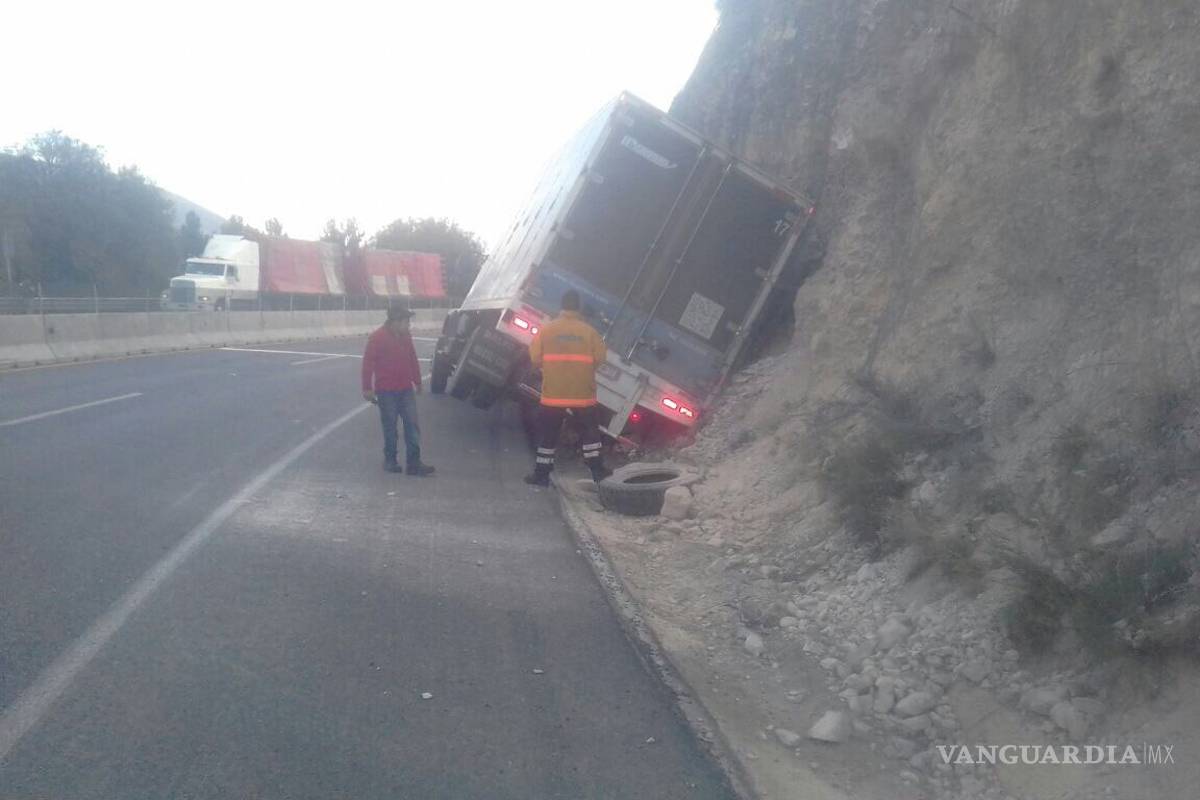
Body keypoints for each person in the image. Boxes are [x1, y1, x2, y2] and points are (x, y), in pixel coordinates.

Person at [524, 289, 611, 486]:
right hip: (582, 393)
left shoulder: (547, 330)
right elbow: (600, 357)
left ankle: (541, 474)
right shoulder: (588, 331)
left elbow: (535, 358)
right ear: (578, 308)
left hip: (553, 393)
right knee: (589, 432)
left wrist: (551, 367)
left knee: (549, 435)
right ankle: (598, 471)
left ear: (561, 307)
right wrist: (585, 370)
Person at [362, 306, 435, 476]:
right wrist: (367, 388)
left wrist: (417, 381)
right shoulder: (377, 338)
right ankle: (390, 460)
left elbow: (412, 358)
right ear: (396, 322)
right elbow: (368, 364)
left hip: (405, 390)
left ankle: (414, 463)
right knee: (390, 427)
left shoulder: (406, 337)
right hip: (386, 391)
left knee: (412, 426)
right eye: (406, 322)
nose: (408, 325)